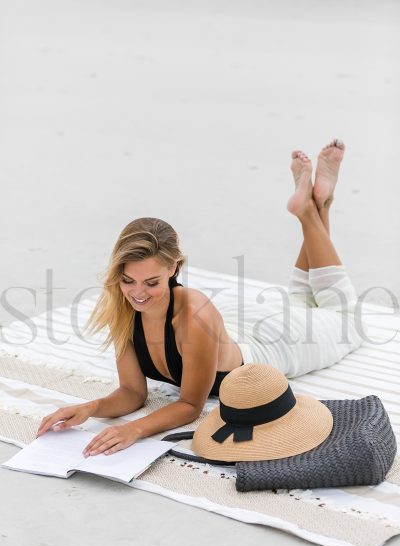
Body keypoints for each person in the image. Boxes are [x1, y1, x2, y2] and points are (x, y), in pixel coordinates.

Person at [36, 139, 363, 458]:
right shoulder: (124, 307)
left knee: (344, 318)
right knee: (300, 300)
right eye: (127, 280)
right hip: (242, 329)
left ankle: (309, 210)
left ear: (174, 267)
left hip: (281, 347)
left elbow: (191, 405)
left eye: (151, 282)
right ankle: (320, 203)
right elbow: (133, 393)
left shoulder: (195, 314)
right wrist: (89, 408)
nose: (137, 293)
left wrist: (133, 430)